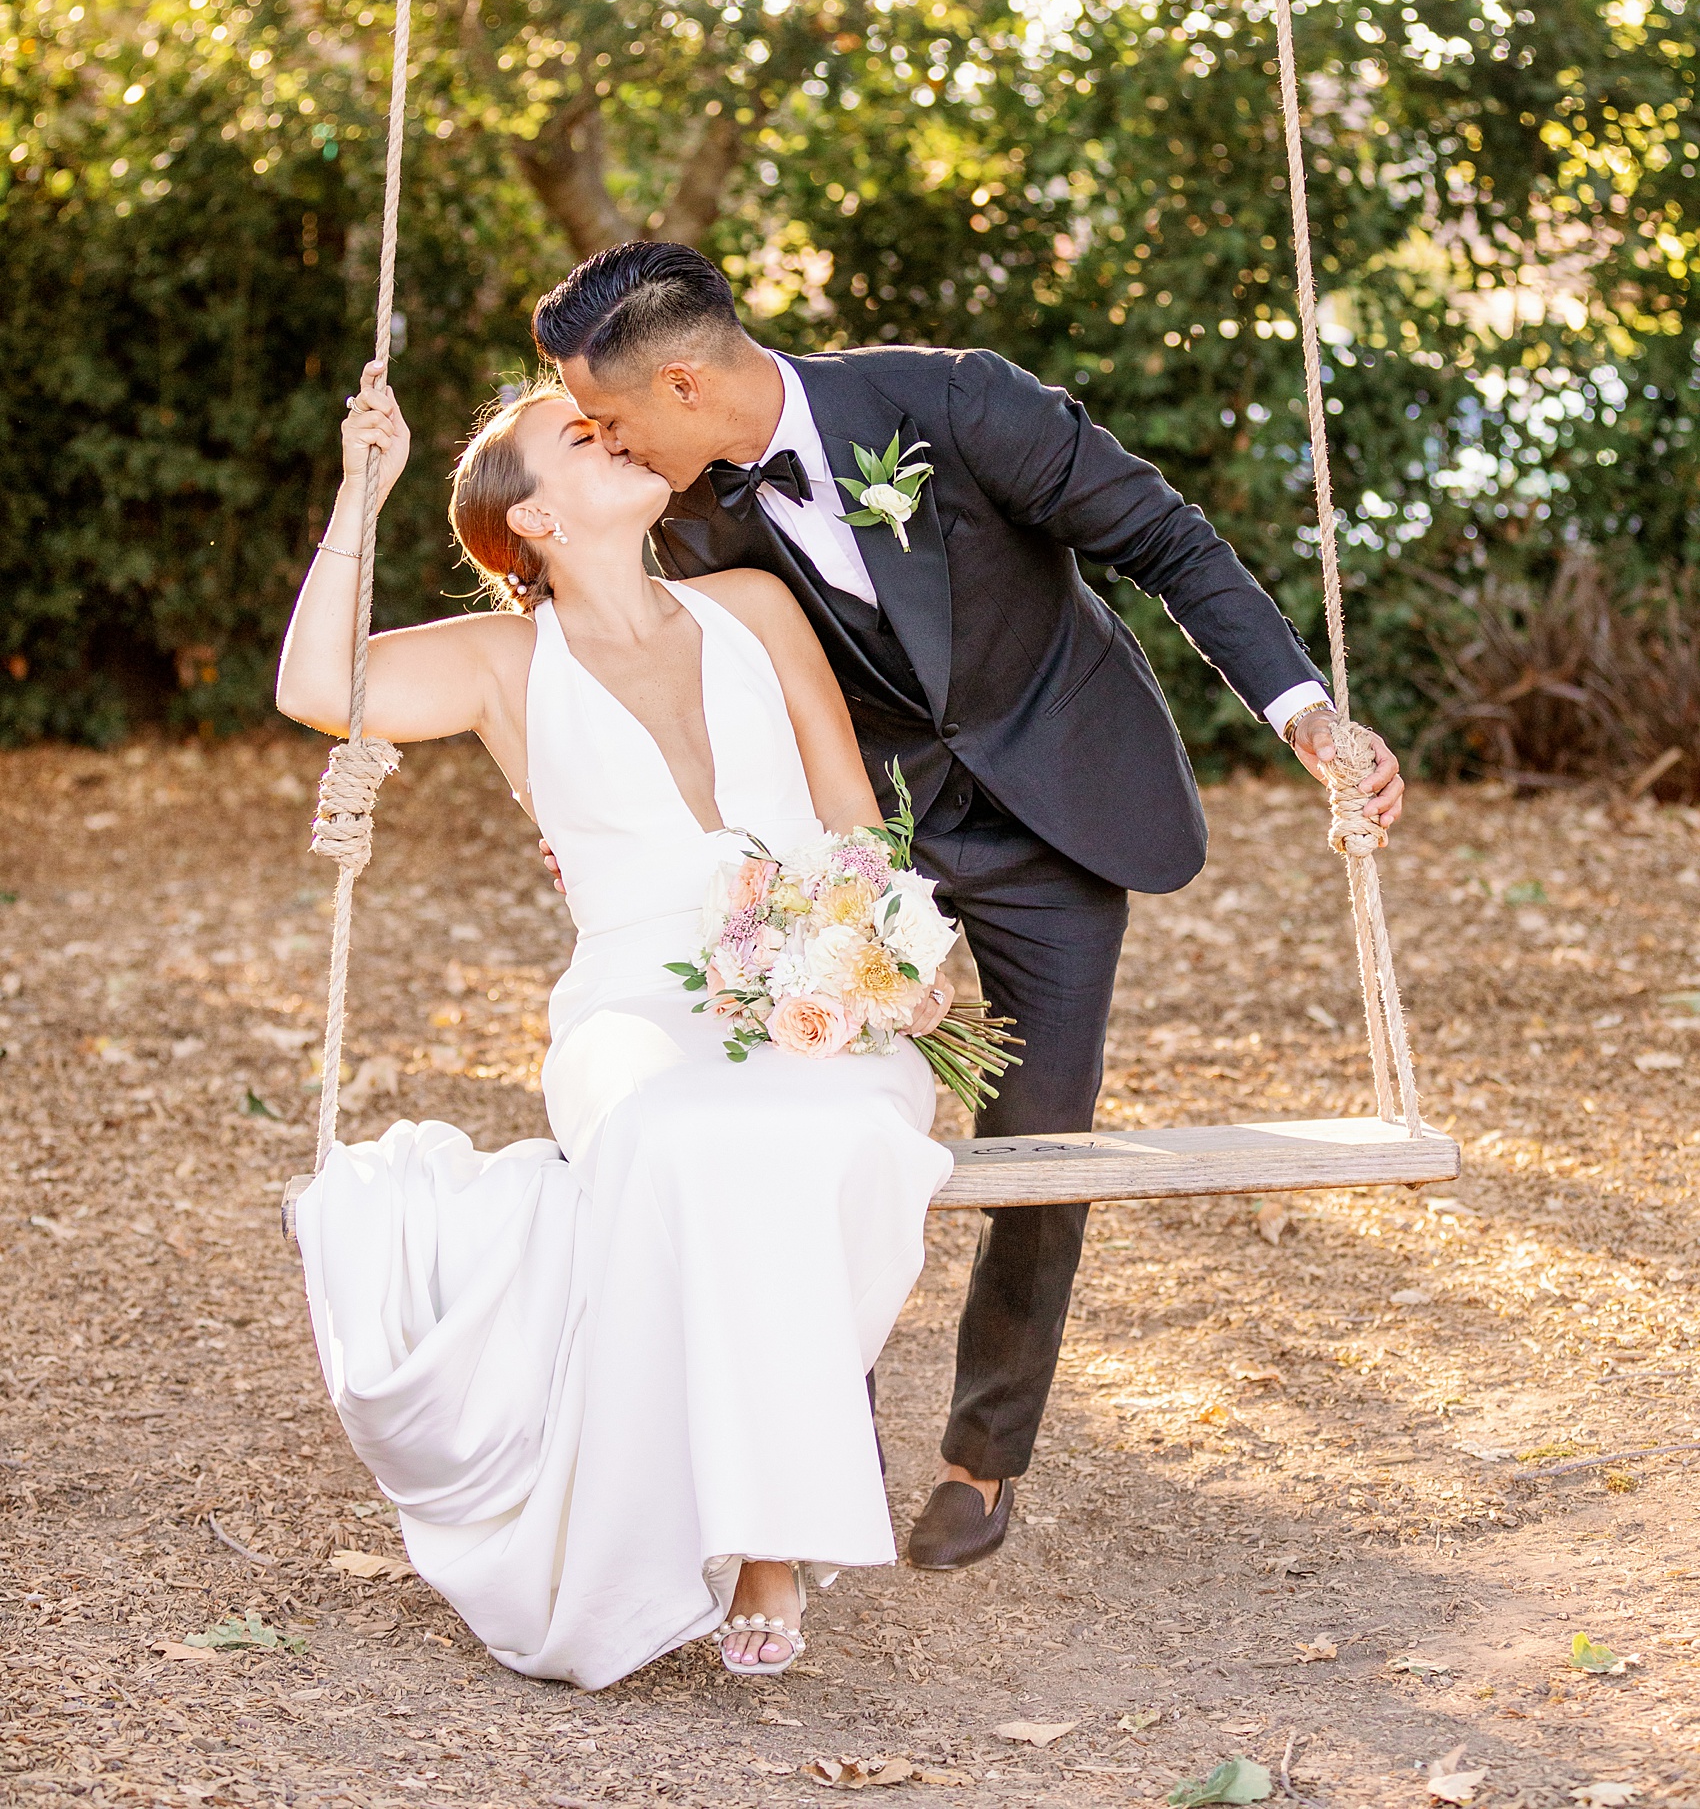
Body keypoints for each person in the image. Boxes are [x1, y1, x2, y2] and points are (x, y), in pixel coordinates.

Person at [533, 242, 1406, 1572]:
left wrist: (1304, 712)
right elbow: (607, 651)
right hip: (855, 845)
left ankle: (983, 1456)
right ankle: (816, 1453)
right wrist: (594, 809)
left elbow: (1164, 538)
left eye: (606, 416)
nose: (598, 440)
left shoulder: (954, 402)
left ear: (681, 379)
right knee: (810, 1129)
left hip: (1063, 807)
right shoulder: (679, 508)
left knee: (1041, 1142)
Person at [275, 363, 957, 1688]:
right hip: (636, 1006)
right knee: (679, 1134)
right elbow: (316, 681)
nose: (618, 434)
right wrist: (364, 485)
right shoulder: (499, 662)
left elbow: (849, 810)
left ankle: (770, 1526)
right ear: (532, 518)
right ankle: (756, 1527)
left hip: (818, 974)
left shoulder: (753, 606)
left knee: (840, 1143)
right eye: (581, 438)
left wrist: (903, 953)